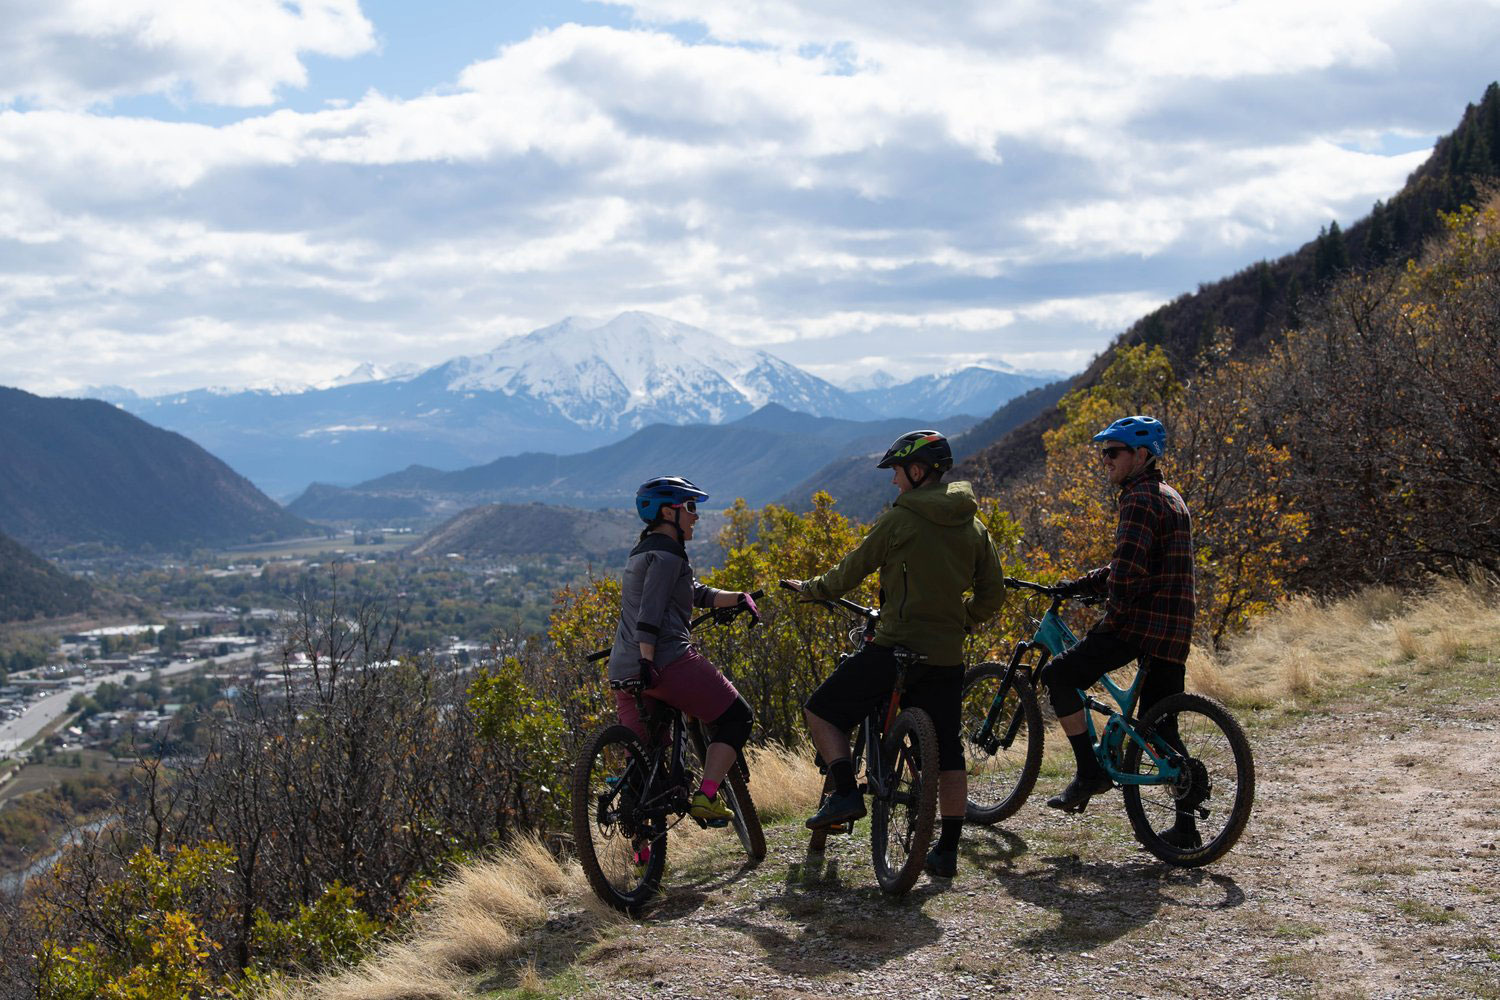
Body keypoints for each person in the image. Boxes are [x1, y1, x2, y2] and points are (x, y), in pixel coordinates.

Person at [785, 430, 1006, 879]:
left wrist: (811, 590)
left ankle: (846, 792)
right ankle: (946, 849)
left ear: (918, 471)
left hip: (895, 646)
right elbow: (993, 595)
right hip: (945, 655)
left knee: (821, 711)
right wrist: (961, 618)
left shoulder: (900, 520)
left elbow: (852, 569)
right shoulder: (973, 524)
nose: (893, 482)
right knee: (947, 751)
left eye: (897, 473)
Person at [1040, 415, 1200, 848]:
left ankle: (1089, 773)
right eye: (1103, 452)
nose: (1104, 460)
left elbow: (1126, 575)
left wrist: (1109, 619)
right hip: (1174, 628)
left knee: (1058, 675)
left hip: (1139, 624)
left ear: (1142, 455)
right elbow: (1132, 562)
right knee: (1163, 727)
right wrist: (1082, 585)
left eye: (1113, 452)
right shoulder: (1169, 497)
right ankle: (1186, 827)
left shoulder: (1137, 499)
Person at [607, 476, 758, 833]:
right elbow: (651, 610)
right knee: (738, 717)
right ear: (667, 512)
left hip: (623, 667)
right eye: (690, 508)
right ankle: (706, 795)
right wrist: (649, 659)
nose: (696, 516)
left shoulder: (644, 550)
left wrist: (737, 596)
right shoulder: (669, 553)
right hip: (663, 660)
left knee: (643, 762)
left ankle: (642, 853)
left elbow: (691, 591)